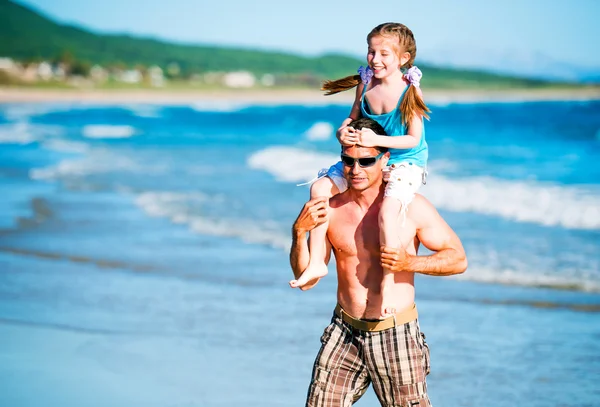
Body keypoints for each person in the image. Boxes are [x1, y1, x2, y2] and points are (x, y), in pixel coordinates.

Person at [289, 118, 467, 407]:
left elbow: (458, 259)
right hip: (344, 331)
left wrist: (409, 262)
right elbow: (305, 279)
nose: (355, 170)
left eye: (366, 161)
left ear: (385, 158)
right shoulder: (330, 209)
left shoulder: (411, 207)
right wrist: (299, 232)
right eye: (348, 161)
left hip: (395, 332)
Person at [296, 23, 431, 317]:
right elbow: (352, 117)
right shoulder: (366, 82)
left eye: (385, 53)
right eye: (372, 51)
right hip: (368, 155)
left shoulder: (409, 90)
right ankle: (318, 260)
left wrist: (377, 140)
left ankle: (388, 283)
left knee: (386, 213)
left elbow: (413, 139)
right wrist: (342, 132)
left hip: (405, 161)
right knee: (319, 188)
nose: (375, 59)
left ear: (403, 59)